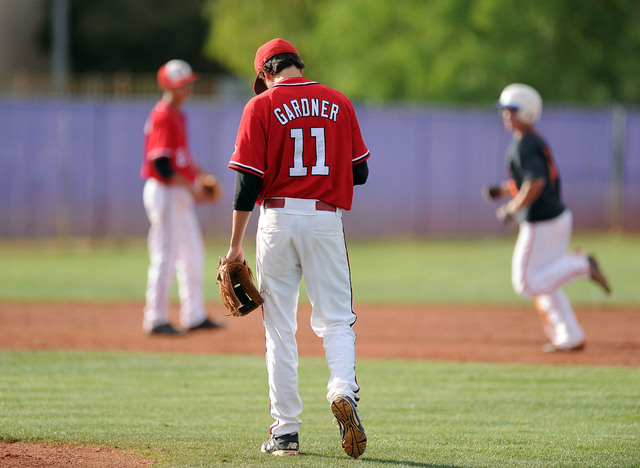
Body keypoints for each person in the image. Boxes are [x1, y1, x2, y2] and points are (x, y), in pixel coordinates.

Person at [223, 38, 370, 458]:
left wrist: (235, 246)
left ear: (265, 73)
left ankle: (285, 434)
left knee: (279, 329)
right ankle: (343, 391)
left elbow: (247, 181)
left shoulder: (261, 106)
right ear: (298, 66)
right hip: (325, 218)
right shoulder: (338, 103)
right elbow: (359, 172)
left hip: (277, 220)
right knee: (337, 320)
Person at [487, 83, 611, 352]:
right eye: (504, 111)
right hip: (556, 217)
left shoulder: (524, 144)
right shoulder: (534, 140)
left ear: (528, 111)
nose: (506, 116)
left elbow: (535, 183)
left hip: (542, 222)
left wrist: (511, 209)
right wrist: (503, 191)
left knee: (526, 282)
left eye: (511, 110)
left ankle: (582, 265)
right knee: (546, 281)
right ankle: (570, 335)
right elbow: (530, 180)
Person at [141, 59, 224, 335]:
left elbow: (182, 160)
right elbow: (163, 167)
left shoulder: (178, 115)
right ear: (167, 86)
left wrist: (200, 178)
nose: (187, 89)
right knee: (164, 254)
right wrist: (193, 189)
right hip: (165, 191)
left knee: (191, 253)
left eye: (188, 83)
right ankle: (155, 318)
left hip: (177, 191)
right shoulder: (163, 115)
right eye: (181, 85)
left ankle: (194, 315)